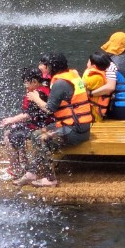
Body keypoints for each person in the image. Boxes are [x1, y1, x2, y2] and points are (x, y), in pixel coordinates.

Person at [15, 52, 92, 187]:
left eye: (47, 66)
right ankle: (31, 172)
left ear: (53, 67)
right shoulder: (73, 75)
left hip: (75, 131)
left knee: (40, 138)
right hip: (80, 126)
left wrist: (36, 98)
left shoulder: (60, 83)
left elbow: (49, 109)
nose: (45, 69)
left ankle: (50, 179)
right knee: (36, 135)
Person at [0, 67, 54, 181]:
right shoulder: (43, 89)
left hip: (40, 128)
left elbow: (29, 115)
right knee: (12, 131)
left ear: (34, 82)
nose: (25, 85)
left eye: (26, 82)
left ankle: (15, 169)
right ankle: (22, 165)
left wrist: (11, 120)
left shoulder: (38, 94)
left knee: (9, 135)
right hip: (39, 125)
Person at [83, 51, 111, 121]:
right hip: (97, 111)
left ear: (94, 66)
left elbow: (79, 87)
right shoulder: (104, 73)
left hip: (94, 115)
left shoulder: (94, 78)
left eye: (88, 61)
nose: (87, 63)